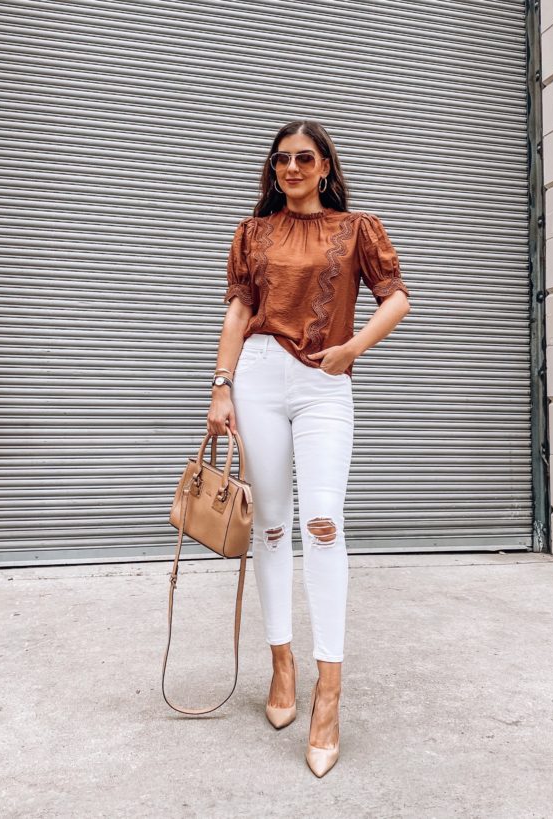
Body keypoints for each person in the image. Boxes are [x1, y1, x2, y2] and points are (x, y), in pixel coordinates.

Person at [206, 120, 410, 777]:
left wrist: (353, 348)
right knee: (269, 526)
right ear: (273, 169)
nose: (290, 167)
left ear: (324, 166)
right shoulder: (252, 232)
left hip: (325, 383)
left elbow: (396, 298)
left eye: (303, 157)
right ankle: (281, 662)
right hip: (259, 376)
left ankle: (329, 689)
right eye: (281, 158)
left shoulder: (358, 229)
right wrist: (221, 386)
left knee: (322, 524)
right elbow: (239, 309)